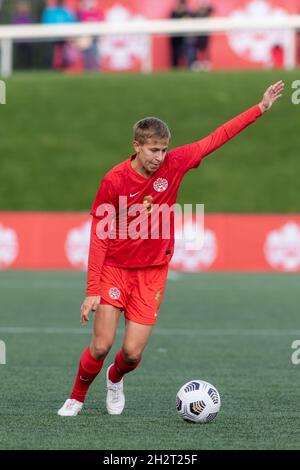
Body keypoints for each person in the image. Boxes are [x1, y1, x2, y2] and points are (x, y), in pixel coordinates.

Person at [58, 81, 284, 417]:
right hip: (116, 268)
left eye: (163, 150)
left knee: (132, 354)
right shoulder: (115, 180)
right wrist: (92, 290)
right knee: (102, 343)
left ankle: (115, 378)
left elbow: (216, 138)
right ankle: (76, 397)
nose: (159, 157)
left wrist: (260, 108)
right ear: (136, 146)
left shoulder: (175, 163)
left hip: (151, 272)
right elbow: (99, 234)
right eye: (152, 150)